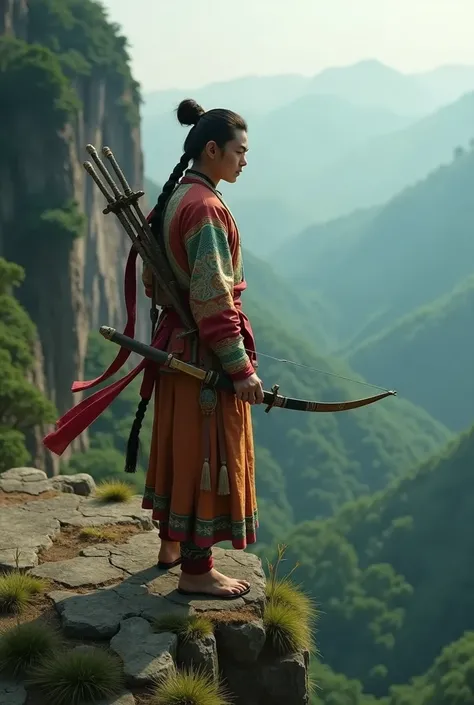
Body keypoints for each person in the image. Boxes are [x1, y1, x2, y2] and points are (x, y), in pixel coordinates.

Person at [139, 98, 264, 598]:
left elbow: (154, 279)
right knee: (203, 458)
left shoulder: (176, 197)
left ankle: (172, 546)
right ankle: (196, 571)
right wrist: (240, 369)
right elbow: (213, 300)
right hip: (200, 362)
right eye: (239, 150)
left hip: (177, 351)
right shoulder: (205, 209)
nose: (244, 160)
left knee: (180, 449)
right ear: (212, 149)